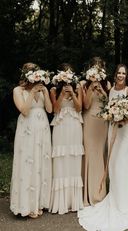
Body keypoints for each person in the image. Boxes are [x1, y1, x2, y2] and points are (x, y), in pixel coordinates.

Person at [79, 64, 128, 231]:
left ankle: (125, 202)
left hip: (125, 130)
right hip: (111, 128)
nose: (121, 75)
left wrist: (123, 119)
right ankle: (114, 196)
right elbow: (107, 108)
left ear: (126, 76)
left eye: (124, 73)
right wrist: (113, 116)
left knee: (122, 163)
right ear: (115, 75)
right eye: (119, 72)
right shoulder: (111, 90)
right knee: (113, 163)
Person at [10, 62, 52, 218]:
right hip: (27, 129)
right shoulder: (18, 90)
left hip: (42, 129)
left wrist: (45, 93)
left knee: (41, 162)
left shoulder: (43, 89)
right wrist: (33, 92)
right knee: (28, 162)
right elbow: (24, 111)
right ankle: (26, 205)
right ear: (25, 75)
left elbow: (49, 109)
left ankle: (39, 202)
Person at [49, 63, 84, 214]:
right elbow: (55, 110)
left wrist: (74, 94)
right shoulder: (53, 90)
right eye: (65, 74)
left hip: (74, 126)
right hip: (60, 127)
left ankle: (74, 201)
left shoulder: (78, 88)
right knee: (61, 160)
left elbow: (79, 108)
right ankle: (60, 202)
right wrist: (62, 94)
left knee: (73, 159)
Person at [82, 57, 110, 205]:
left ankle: (99, 192)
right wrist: (91, 89)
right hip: (89, 120)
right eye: (94, 67)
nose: (97, 70)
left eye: (99, 67)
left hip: (102, 122)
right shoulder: (83, 85)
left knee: (100, 154)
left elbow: (109, 105)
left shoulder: (107, 84)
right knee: (89, 153)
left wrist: (101, 90)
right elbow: (85, 105)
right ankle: (87, 192)